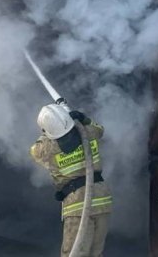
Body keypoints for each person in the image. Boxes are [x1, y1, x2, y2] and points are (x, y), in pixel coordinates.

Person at [30, 103, 112, 256]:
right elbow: (100, 130)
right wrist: (82, 119)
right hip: (102, 199)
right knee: (96, 254)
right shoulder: (88, 131)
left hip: (78, 203)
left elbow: (35, 151)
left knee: (74, 254)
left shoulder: (49, 148)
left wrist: (46, 132)